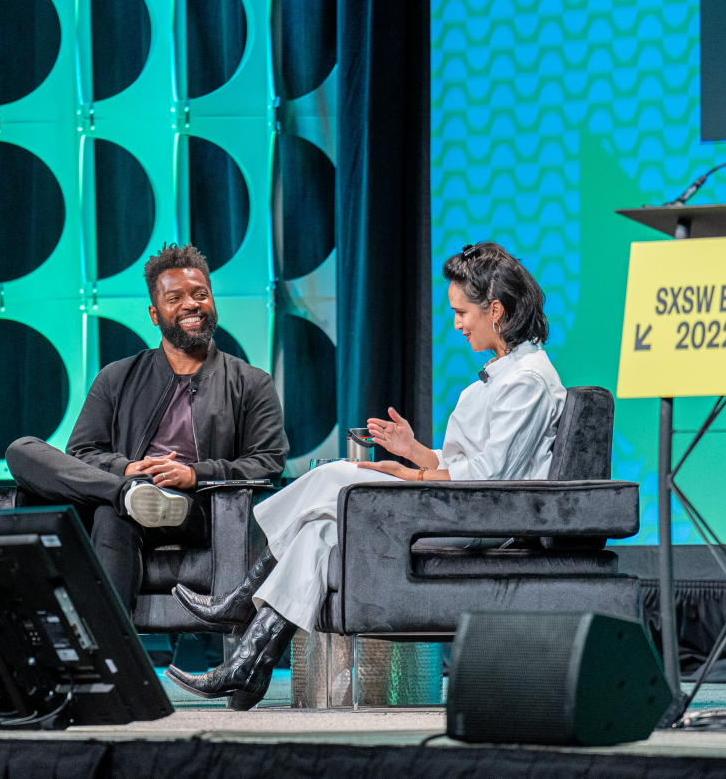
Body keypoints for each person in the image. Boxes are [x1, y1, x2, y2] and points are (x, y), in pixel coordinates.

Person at [166, 242, 566, 710]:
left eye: (462, 312)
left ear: (495, 310)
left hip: (478, 519)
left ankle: (241, 595)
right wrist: (414, 450)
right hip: (459, 506)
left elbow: (486, 480)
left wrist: (408, 475)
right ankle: (251, 664)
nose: (457, 323)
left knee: (339, 474)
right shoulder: (506, 372)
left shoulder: (528, 380)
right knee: (319, 531)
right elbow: (467, 464)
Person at [5, 244, 288, 610]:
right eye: (175, 298)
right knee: (22, 450)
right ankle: (124, 492)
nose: (191, 304)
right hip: (126, 494)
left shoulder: (251, 382)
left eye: (200, 294)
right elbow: (81, 453)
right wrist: (126, 471)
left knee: (113, 510)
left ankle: (108, 657)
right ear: (155, 314)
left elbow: (267, 462)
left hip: (195, 507)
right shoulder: (117, 376)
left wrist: (192, 475)